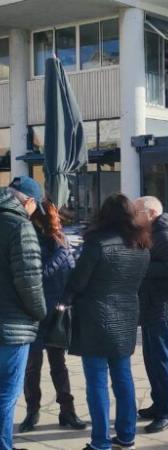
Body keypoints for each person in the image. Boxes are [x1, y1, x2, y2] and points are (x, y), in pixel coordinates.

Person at [66, 194, 151, 450]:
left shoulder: (97, 243)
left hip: (95, 318)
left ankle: (100, 441)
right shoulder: (141, 246)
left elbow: (77, 282)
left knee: (97, 383)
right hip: (126, 317)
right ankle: (126, 436)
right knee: (123, 377)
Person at [19, 200, 86, 433]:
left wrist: (67, 300)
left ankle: (67, 411)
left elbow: (70, 272)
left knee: (59, 365)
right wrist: (61, 254)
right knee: (32, 366)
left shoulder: (60, 239)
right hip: (34, 312)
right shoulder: (29, 236)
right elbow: (37, 273)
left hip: (55, 311)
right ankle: (32, 411)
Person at [0, 177, 46, 450]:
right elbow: (29, 281)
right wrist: (40, 313)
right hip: (12, 326)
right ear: (27, 201)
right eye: (34, 206)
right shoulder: (19, 226)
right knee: (6, 394)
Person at [134, 196, 168, 434]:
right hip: (154, 305)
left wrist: (143, 265)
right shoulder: (155, 230)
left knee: (163, 361)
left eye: (137, 212)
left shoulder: (162, 233)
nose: (134, 216)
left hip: (164, 307)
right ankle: (160, 404)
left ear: (151, 213)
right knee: (152, 359)